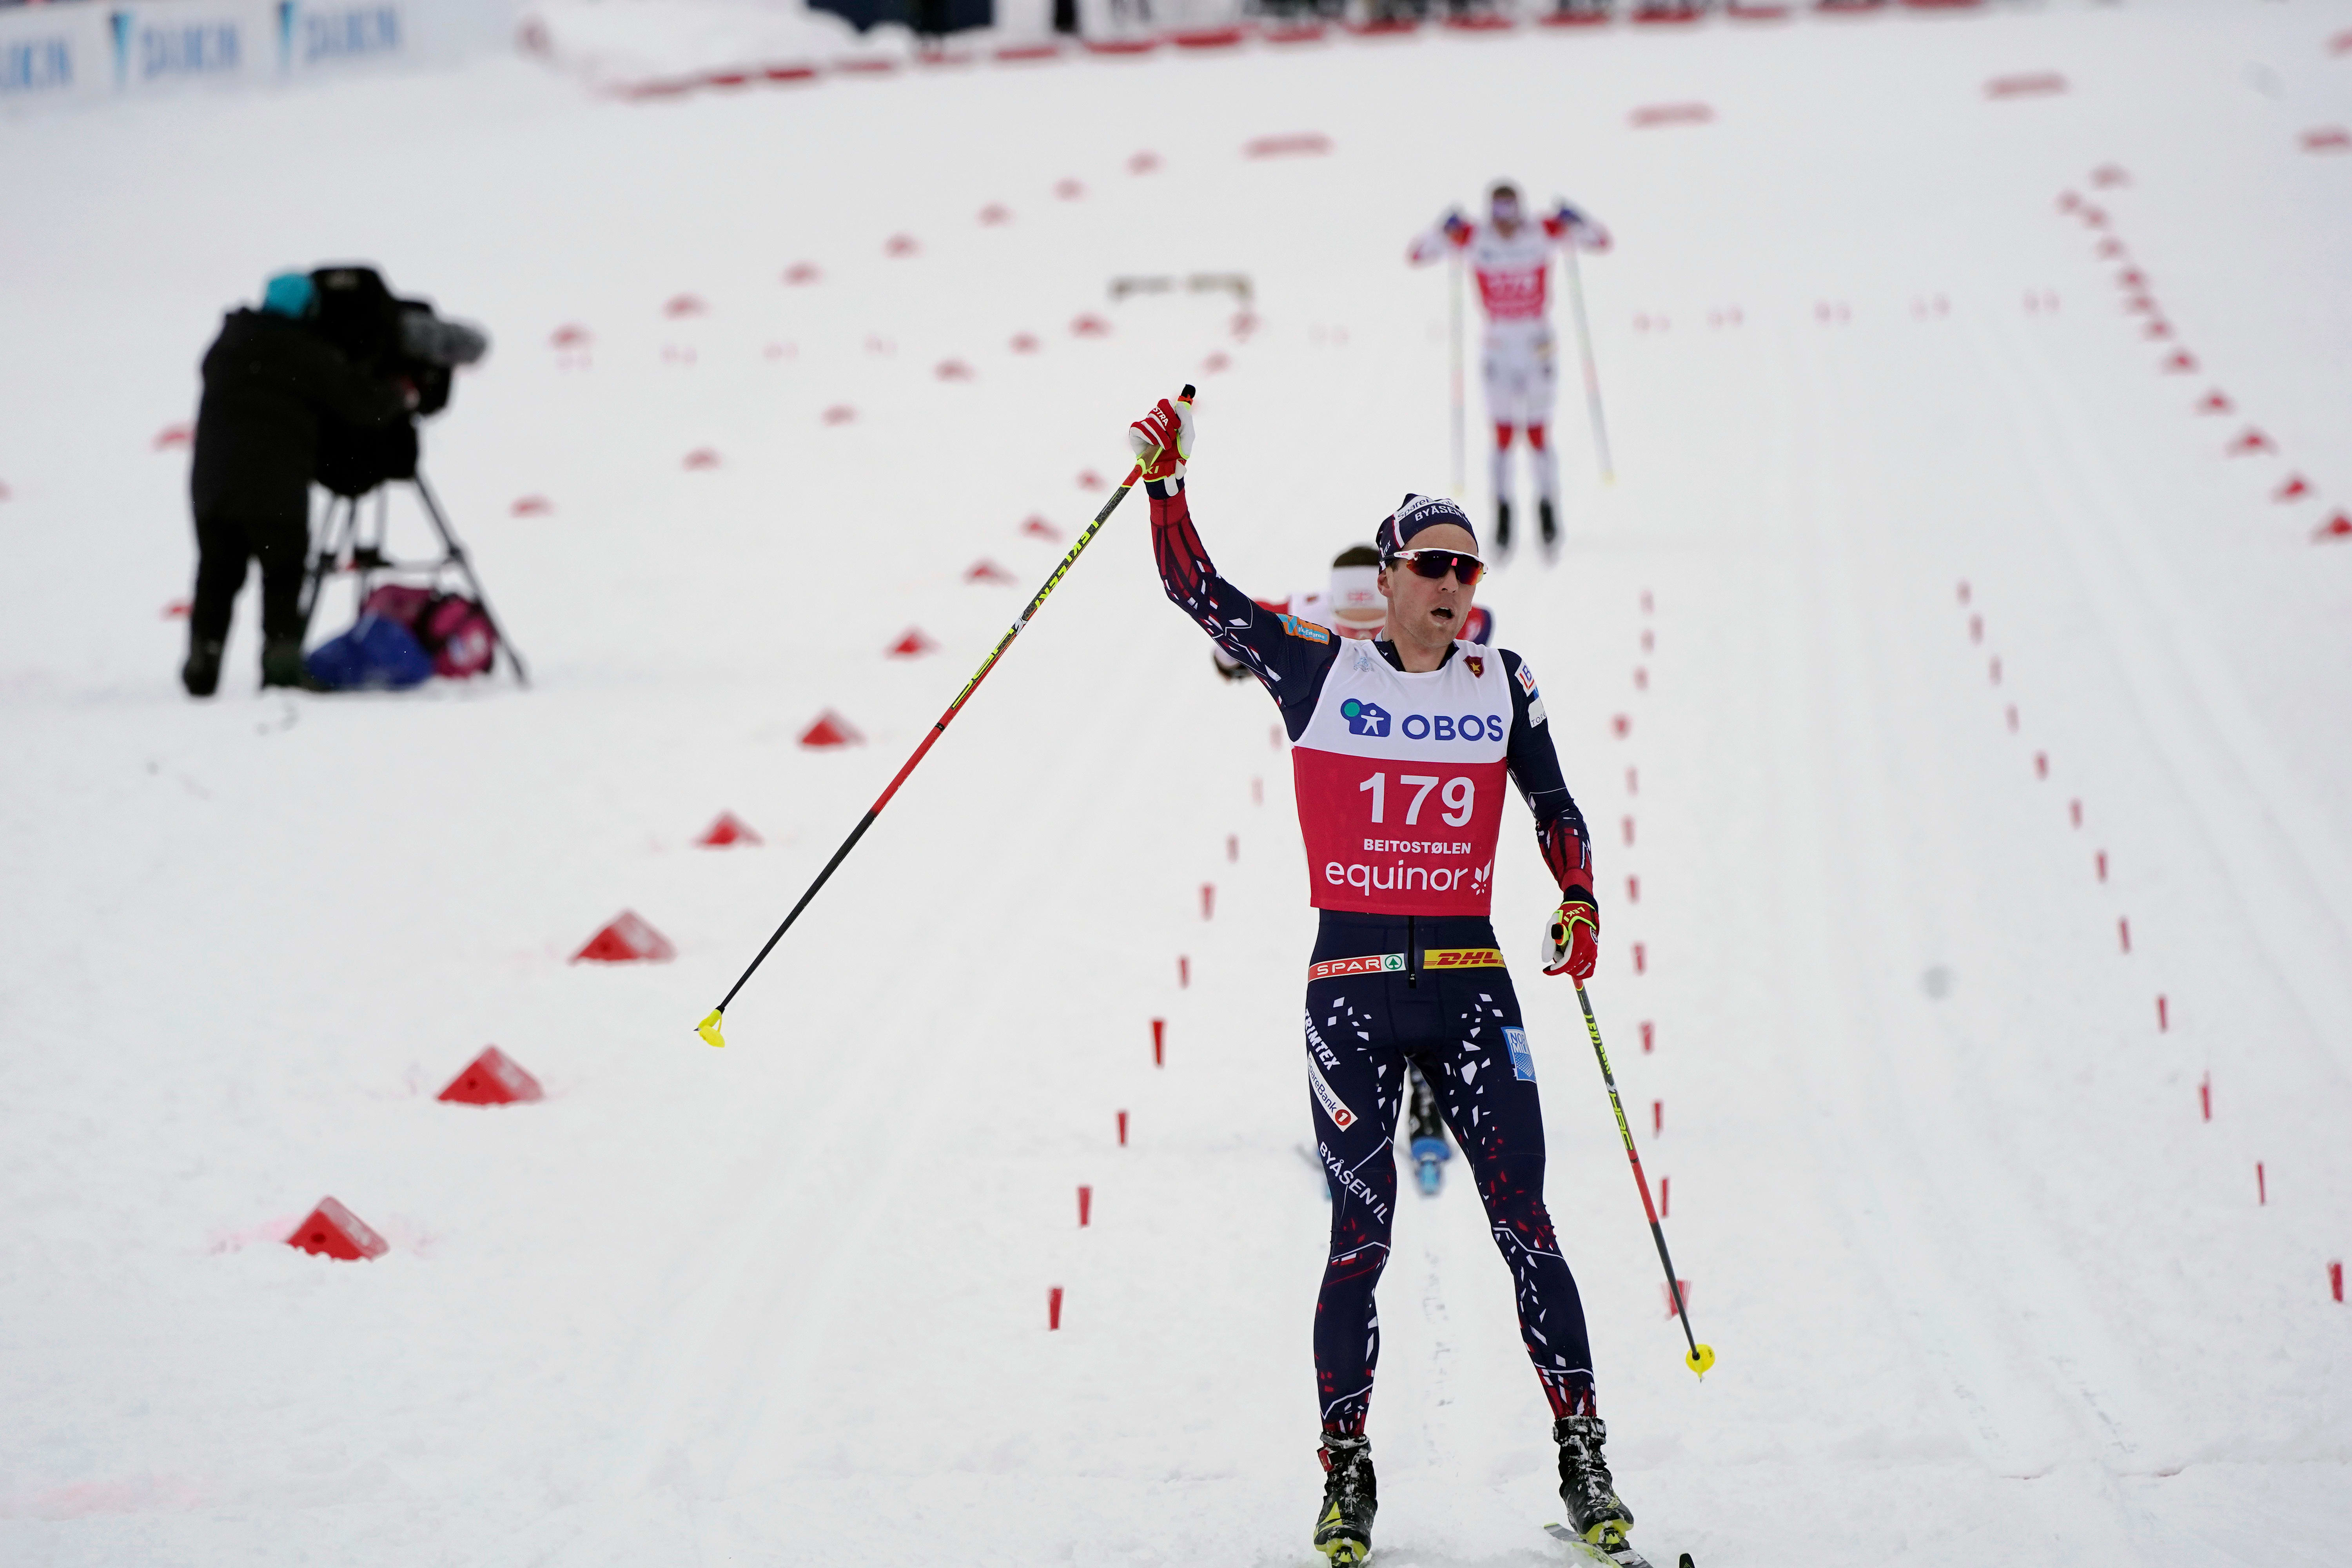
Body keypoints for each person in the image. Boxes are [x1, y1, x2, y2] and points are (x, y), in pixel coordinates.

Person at [1131, 392, 1638, 1566]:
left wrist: (1577, 896)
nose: (1453, 584)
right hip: (1352, 989)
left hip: (1470, 984)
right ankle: (1346, 1471)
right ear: (1390, 575)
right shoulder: (1319, 670)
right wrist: (1166, 484)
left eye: (1467, 568)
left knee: (1526, 1222)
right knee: (1359, 1239)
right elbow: (1195, 592)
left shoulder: (1502, 680)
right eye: (1432, 566)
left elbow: (1554, 805)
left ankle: (1584, 1452)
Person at [1215, 543, 1495, 1197]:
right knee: (1361, 953)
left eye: (1376, 627)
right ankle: (1364, 1114)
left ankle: (1423, 1100)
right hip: (1348, 796)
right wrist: (1240, 659)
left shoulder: (1411, 612)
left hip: (1418, 796)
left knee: (1416, 941)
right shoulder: (1308, 613)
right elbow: (1229, 637)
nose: (1367, 640)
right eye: (1352, 626)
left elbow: (1478, 630)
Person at [183, 271, 410, 695]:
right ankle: (281, 669)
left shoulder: (228, 344)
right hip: (273, 489)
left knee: (217, 574)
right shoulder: (304, 352)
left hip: (212, 486)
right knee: (283, 575)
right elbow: (359, 404)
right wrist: (398, 395)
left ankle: (203, 662)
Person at [1408, 181, 1610, 559]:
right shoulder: (1475, 237)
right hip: (1498, 349)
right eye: (1498, 211)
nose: (1505, 221)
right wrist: (1442, 227)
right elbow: (1418, 254)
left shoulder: (1542, 231)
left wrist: (1577, 219)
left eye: (1511, 211)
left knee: (1537, 434)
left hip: (1537, 346)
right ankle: (1503, 516)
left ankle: (1548, 512)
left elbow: (1601, 241)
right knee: (1502, 436)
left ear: (1521, 209)